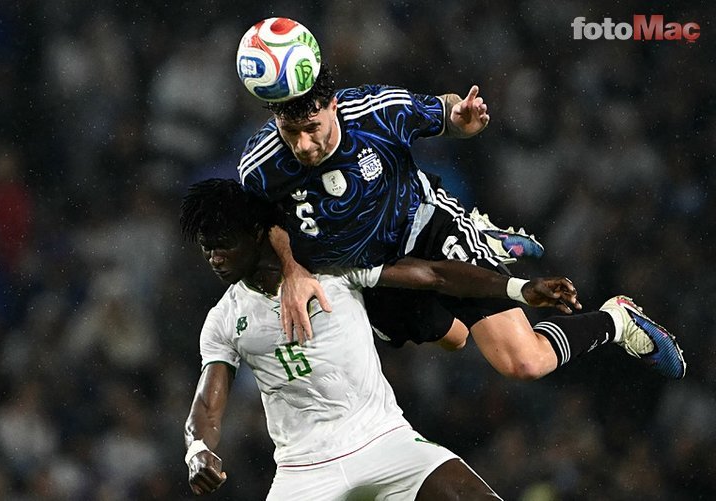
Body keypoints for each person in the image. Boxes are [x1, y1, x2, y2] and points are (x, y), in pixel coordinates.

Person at [237, 63, 686, 380]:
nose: (303, 145)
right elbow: (263, 223)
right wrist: (292, 269)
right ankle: (487, 241)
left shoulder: (376, 111)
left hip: (426, 229)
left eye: (311, 128)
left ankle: (616, 320)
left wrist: (461, 118)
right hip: (372, 274)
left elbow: (447, 110)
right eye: (290, 131)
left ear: (333, 106)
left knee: (523, 362)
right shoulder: (259, 166)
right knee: (454, 338)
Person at [179, 178, 590, 499]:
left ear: (256, 234)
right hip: (303, 471)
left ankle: (470, 236)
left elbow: (434, 274)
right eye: (207, 250)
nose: (215, 259)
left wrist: (519, 288)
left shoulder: (329, 266)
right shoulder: (223, 320)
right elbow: (207, 407)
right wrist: (198, 450)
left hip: (383, 440)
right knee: (453, 336)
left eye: (223, 247)